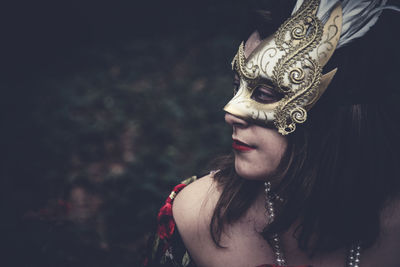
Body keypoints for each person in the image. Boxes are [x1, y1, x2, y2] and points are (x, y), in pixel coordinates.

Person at [144, 0, 400, 266]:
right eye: (237, 86)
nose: (231, 114)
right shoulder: (194, 215)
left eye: (265, 94)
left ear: (330, 113)